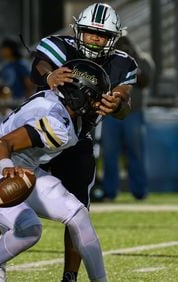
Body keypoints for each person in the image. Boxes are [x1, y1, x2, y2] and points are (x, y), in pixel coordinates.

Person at [0, 59, 114, 282]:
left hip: (26, 171)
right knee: (30, 229)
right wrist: (8, 169)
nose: (98, 105)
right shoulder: (56, 123)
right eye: (95, 98)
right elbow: (2, 144)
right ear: (79, 94)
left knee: (78, 214)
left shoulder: (59, 104)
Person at [29, 3, 137, 281]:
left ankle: (70, 276)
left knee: (78, 210)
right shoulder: (59, 47)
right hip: (41, 131)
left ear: (113, 38)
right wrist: (48, 75)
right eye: (89, 32)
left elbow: (125, 104)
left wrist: (117, 104)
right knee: (14, 195)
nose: (94, 39)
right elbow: (39, 65)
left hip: (78, 137)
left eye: (101, 35)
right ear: (79, 30)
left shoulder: (122, 63)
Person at [101, 35, 155, 201]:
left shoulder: (143, 59)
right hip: (111, 114)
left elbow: (146, 81)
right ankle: (110, 192)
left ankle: (140, 191)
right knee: (109, 154)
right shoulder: (107, 60)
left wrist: (132, 64)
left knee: (136, 153)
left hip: (134, 113)